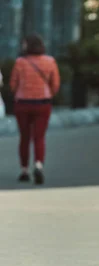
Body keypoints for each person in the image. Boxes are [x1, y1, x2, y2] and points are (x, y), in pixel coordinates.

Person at [9, 34, 60, 184]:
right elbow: (55, 84)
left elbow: (13, 84)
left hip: (23, 103)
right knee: (39, 137)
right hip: (43, 103)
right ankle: (38, 165)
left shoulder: (20, 62)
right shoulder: (50, 61)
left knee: (24, 137)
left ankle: (24, 170)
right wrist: (48, 93)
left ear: (28, 45)